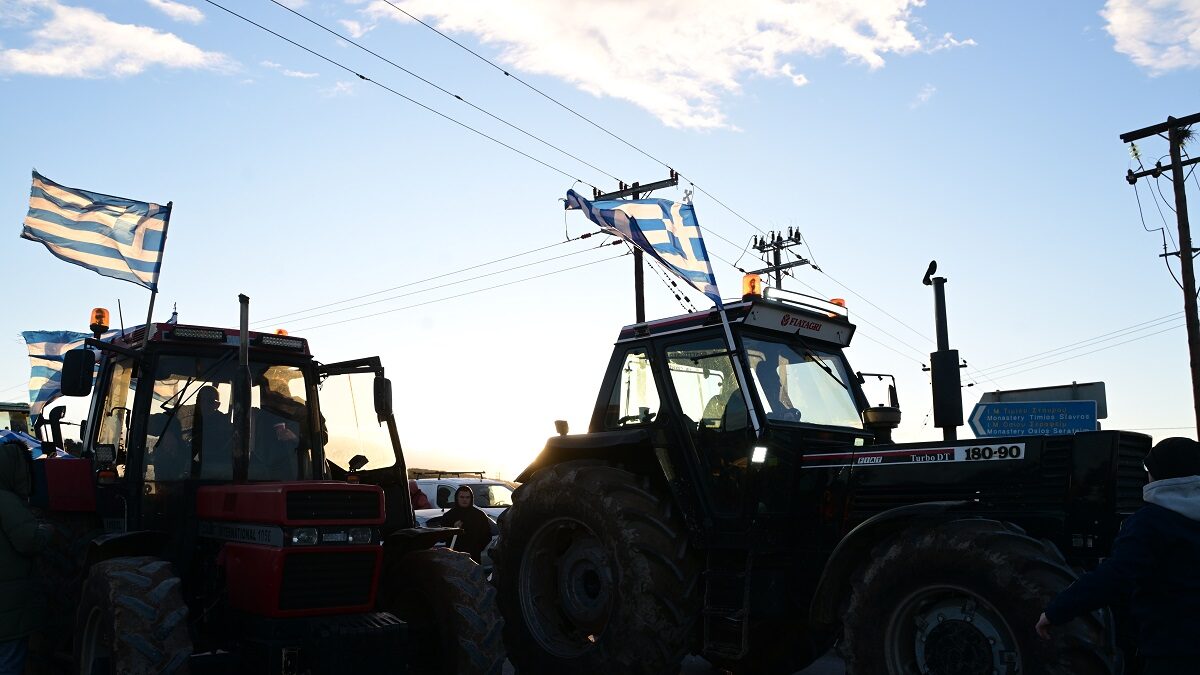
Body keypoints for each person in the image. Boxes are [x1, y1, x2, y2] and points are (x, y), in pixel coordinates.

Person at [1035, 437, 1200, 674]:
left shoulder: (1151, 523)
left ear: (1160, 475)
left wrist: (1056, 610)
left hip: (1174, 651)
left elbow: (1116, 577)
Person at [0, 441, 52, 675]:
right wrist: (46, 531)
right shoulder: (5, 501)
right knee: (9, 663)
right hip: (8, 612)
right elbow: (28, 540)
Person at [436, 486, 492, 564]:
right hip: (454, 558)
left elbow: (487, 535)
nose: (464, 500)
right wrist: (452, 529)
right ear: (457, 498)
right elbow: (442, 537)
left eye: (467, 497)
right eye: (462, 497)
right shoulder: (449, 516)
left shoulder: (479, 515)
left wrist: (477, 548)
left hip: (473, 558)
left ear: (471, 498)